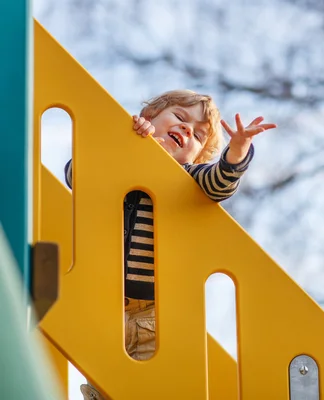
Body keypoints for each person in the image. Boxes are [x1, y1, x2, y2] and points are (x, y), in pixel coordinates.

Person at [65, 89, 277, 400]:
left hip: (155, 313)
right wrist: (127, 142)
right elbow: (76, 173)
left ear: (195, 156)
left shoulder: (187, 180)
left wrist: (238, 150)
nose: (187, 129)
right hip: (103, 306)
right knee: (105, 386)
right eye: (179, 117)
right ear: (148, 119)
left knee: (150, 387)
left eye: (199, 136)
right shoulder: (118, 162)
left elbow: (220, 183)